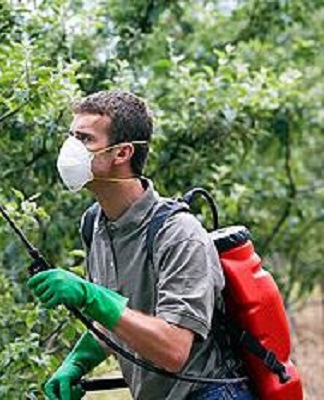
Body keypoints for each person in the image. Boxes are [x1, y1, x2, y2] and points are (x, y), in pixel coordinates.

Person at [27, 90, 253, 400]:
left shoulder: (179, 234)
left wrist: (89, 295)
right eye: (72, 136)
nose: (71, 149)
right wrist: (77, 362)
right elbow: (120, 319)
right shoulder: (95, 224)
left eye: (86, 139)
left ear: (122, 153)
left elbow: (173, 349)